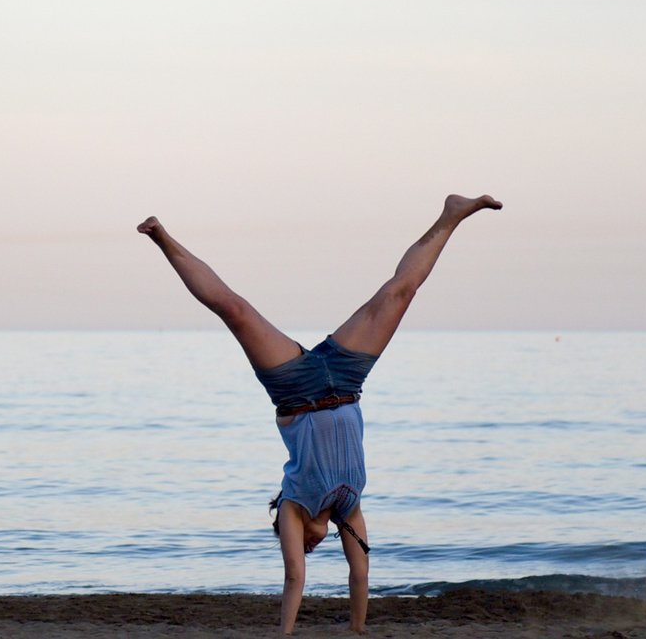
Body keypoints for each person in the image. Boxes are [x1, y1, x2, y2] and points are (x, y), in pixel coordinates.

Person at [137, 194, 502, 634]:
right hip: (346, 381)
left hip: (295, 389)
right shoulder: (349, 508)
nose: (309, 549)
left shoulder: (293, 506)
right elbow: (361, 574)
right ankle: (451, 215)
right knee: (400, 292)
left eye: (304, 548)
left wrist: (284, 634)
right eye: (310, 548)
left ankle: (161, 237)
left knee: (235, 310)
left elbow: (294, 579)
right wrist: (357, 631)